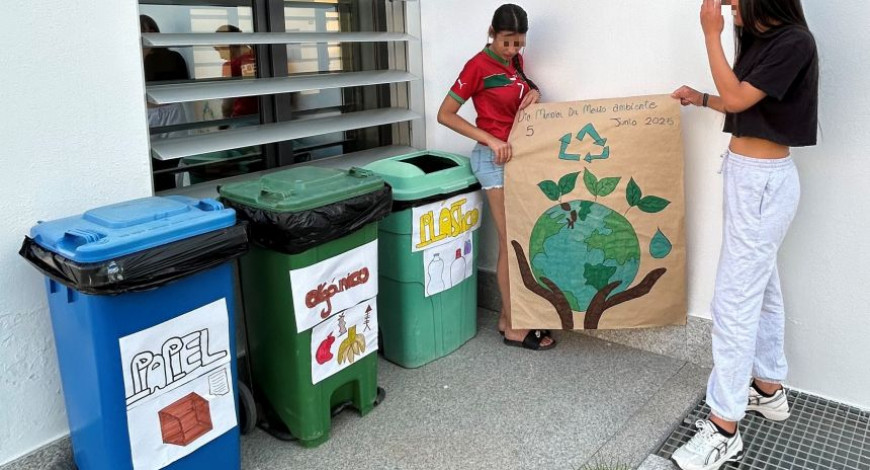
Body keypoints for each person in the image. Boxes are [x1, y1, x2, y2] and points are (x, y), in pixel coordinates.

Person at [670, 1, 818, 468]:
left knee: (733, 301)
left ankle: (723, 428)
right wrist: (702, 98)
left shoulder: (794, 41)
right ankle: (767, 389)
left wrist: (709, 33)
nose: (726, 6)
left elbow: (737, 100)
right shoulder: (762, 39)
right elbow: (742, 102)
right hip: (747, 176)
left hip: (763, 182)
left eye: (734, 0)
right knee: (762, 284)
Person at [437, 4, 555, 351]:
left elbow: (509, 106)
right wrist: (489, 139)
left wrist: (532, 96)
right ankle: (514, 326)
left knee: (521, 237)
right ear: (493, 32)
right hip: (491, 158)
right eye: (507, 42)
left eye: (518, 43)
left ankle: (508, 316)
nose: (512, 49)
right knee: (510, 240)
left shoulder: (515, 63)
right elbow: (445, 114)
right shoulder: (477, 66)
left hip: (517, 158)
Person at [140, 15, 191, 191]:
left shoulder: (173, 57)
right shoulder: (135, 61)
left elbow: (185, 85)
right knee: (150, 164)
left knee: (170, 163)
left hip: (171, 112)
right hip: (154, 114)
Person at [214, 25, 258, 120]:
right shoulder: (264, 57)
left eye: (219, 49)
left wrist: (224, 120)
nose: (220, 56)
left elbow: (227, 103)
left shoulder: (229, 66)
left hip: (244, 120)